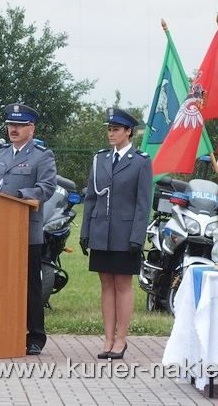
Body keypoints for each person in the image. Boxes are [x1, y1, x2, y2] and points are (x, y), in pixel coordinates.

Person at [0, 103, 56, 356]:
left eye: (20, 125)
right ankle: (3, 330)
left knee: (29, 285)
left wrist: (19, 195)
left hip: (25, 230)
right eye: (11, 125)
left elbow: (46, 188)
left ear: (31, 128)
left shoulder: (42, 155)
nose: (14, 129)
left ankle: (35, 336)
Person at [79, 108, 152, 360]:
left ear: (128, 132)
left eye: (116, 129)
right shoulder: (100, 159)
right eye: (109, 129)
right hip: (101, 231)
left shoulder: (141, 161)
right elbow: (90, 198)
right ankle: (108, 339)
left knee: (122, 285)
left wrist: (137, 236)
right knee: (105, 284)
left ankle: (122, 339)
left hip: (125, 233)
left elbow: (143, 203)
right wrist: (86, 230)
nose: (111, 134)